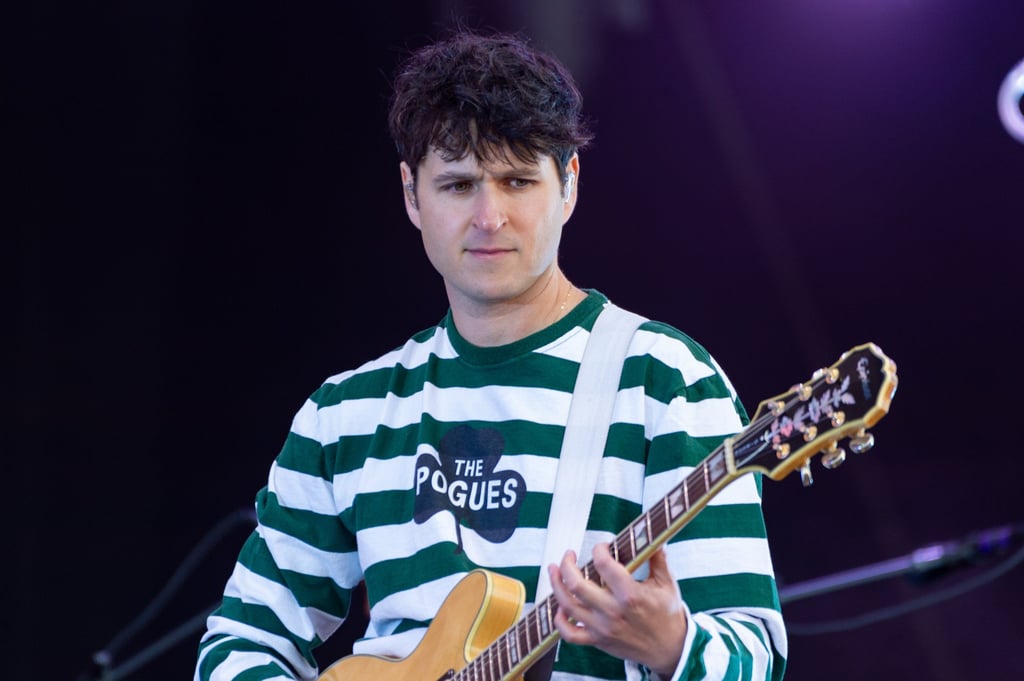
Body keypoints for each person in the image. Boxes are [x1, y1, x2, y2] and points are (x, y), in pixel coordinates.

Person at [194, 28, 787, 681]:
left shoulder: (665, 382)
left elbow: (755, 656)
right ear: (410, 194)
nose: (488, 216)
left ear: (568, 186)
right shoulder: (345, 415)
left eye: (516, 180)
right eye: (457, 184)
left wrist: (672, 645)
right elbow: (241, 642)